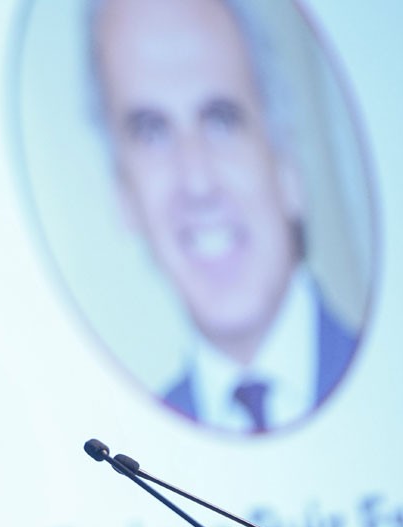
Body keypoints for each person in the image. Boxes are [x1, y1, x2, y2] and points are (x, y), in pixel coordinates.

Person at [90, 0, 357, 433]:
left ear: (286, 164)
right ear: (123, 195)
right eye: (152, 132)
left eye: (221, 120)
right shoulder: (138, 451)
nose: (197, 181)